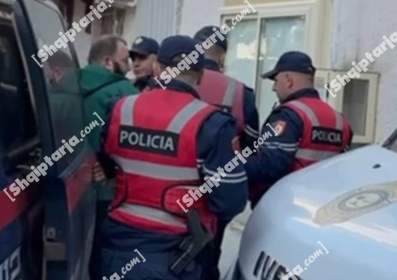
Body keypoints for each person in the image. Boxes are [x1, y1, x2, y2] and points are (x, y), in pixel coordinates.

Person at [97, 35, 248, 279]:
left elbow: (104, 163)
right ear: (200, 76)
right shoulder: (213, 124)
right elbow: (230, 202)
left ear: (157, 68)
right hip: (178, 255)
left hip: (120, 246)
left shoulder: (120, 109)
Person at [192, 25, 259, 279]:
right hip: (216, 196)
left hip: (172, 193)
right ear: (222, 55)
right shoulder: (240, 93)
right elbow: (250, 150)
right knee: (209, 257)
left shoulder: (168, 85)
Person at [245, 51, 352, 207]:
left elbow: (271, 166)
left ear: (288, 80)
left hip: (285, 206)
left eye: (276, 81)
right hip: (324, 208)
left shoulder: (288, 116)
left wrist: (232, 163)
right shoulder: (340, 121)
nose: (274, 88)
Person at [80, 35, 138, 280]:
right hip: (111, 189)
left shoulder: (67, 85)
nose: (130, 66)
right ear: (107, 61)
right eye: (125, 60)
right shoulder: (125, 92)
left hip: (74, 185)